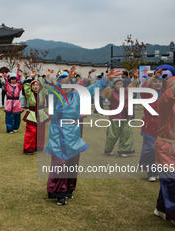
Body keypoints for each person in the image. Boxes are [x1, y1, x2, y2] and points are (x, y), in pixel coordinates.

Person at [44, 66, 119, 205]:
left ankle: (69, 189)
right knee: (59, 162)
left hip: (73, 132)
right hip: (58, 133)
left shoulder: (78, 95)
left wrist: (106, 79)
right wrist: (53, 79)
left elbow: (93, 88)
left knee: (73, 161)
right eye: (62, 82)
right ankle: (58, 191)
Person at [154, 64, 175, 231]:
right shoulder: (167, 100)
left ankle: (161, 208)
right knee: (173, 180)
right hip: (166, 146)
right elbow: (166, 97)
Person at [103, 69, 139, 158]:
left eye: (121, 84)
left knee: (126, 133)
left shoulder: (126, 91)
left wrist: (134, 79)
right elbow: (105, 88)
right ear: (114, 85)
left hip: (126, 115)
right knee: (112, 134)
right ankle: (109, 149)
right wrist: (107, 79)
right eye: (118, 84)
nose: (120, 85)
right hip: (115, 116)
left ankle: (123, 150)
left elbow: (132, 85)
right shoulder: (111, 93)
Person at [139, 68, 164, 182]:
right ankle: (150, 172)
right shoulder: (147, 94)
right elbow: (144, 87)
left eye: (160, 82)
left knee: (161, 149)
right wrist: (154, 77)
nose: (158, 83)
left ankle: (158, 170)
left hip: (164, 126)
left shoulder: (166, 94)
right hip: (150, 125)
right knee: (150, 149)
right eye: (155, 82)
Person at [23, 70, 51, 155]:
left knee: (40, 132)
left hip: (41, 113)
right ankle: (29, 148)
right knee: (31, 132)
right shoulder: (29, 94)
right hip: (32, 113)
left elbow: (46, 87)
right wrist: (30, 77)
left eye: (37, 85)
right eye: (34, 85)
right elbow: (26, 87)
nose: (36, 86)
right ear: (31, 87)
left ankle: (38, 146)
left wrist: (48, 76)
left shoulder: (42, 93)